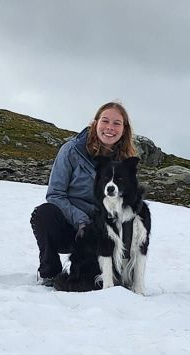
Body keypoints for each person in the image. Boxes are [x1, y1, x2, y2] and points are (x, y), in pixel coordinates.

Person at [30, 101, 138, 286]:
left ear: (124, 129)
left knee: (91, 283)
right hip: (71, 226)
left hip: (101, 231)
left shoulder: (126, 162)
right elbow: (55, 194)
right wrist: (81, 220)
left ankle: (120, 273)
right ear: (95, 123)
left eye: (117, 123)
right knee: (43, 214)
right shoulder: (71, 150)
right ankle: (50, 272)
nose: (110, 128)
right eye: (105, 121)